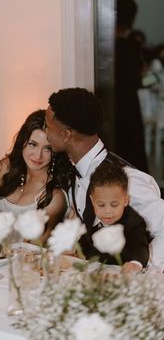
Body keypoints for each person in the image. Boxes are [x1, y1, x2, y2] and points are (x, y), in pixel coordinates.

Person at [45, 87, 164, 267]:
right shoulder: (75, 171)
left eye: (47, 126)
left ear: (66, 134)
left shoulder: (127, 179)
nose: (45, 132)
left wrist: (140, 271)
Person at [0, 109, 70, 245]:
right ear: (22, 142)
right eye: (32, 144)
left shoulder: (54, 195)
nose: (38, 155)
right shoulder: (8, 175)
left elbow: (37, 245)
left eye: (47, 148)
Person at [82, 161, 150, 274]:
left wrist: (136, 263)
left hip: (121, 275)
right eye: (101, 205)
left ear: (126, 200)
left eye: (114, 205)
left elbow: (140, 248)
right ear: (92, 201)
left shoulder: (133, 222)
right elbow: (85, 239)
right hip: (93, 272)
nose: (108, 211)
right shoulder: (90, 214)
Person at [115, 0, 148, 172]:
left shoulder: (103, 48)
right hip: (129, 107)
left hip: (113, 108)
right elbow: (140, 80)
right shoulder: (131, 48)